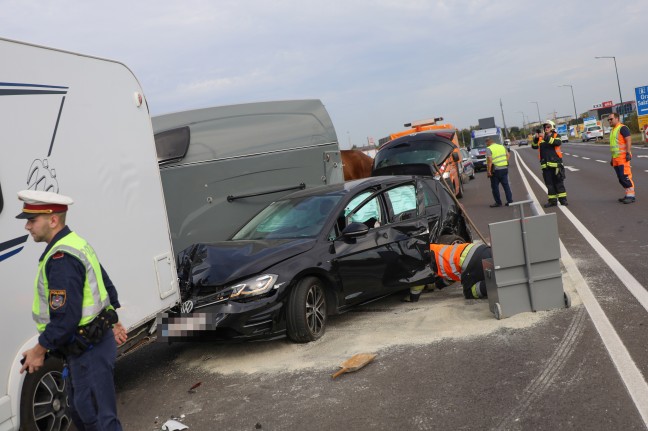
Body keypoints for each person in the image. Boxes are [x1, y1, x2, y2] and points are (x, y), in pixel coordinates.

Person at [17, 190, 126, 431]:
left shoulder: (61, 258)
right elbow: (105, 284)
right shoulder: (75, 243)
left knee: (97, 417)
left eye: (32, 220)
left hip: (90, 349)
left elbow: (66, 318)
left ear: (53, 220)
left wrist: (39, 349)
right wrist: (114, 319)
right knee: (81, 410)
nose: (27, 226)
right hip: (86, 348)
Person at [532, 120, 567, 207]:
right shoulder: (541, 138)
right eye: (545, 127)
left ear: (552, 127)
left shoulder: (556, 135)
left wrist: (545, 137)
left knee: (559, 183)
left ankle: (563, 200)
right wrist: (536, 138)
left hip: (556, 165)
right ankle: (552, 201)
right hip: (545, 166)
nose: (546, 128)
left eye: (548, 127)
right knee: (549, 185)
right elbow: (534, 146)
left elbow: (557, 142)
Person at [607, 113, 635, 204]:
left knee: (625, 176)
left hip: (623, 158)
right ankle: (628, 194)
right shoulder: (613, 130)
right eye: (608, 120)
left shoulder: (622, 128)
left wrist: (628, 152)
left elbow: (628, 140)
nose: (609, 121)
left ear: (617, 118)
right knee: (620, 178)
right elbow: (614, 146)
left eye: (611, 119)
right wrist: (612, 158)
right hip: (616, 158)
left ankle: (631, 196)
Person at [485, 138, 513, 207]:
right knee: (506, 186)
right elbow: (508, 155)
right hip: (504, 168)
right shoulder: (501, 146)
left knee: (495, 187)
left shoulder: (489, 148)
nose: (486, 145)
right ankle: (510, 201)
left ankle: (498, 202)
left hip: (495, 170)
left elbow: (490, 160)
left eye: (486, 144)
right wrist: (504, 161)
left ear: (488, 143)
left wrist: (488, 171)